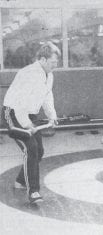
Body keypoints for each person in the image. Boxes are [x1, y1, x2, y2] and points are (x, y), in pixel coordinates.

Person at [2, 42, 61, 203]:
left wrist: (52, 116)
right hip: (13, 113)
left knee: (39, 151)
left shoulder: (49, 75)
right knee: (31, 148)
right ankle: (33, 192)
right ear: (42, 59)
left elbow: (47, 97)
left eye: (56, 63)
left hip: (30, 114)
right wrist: (27, 124)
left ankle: (20, 181)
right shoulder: (28, 73)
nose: (55, 66)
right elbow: (20, 103)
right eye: (53, 62)